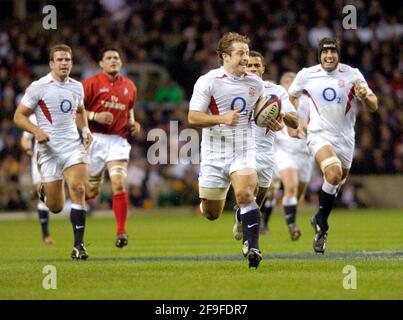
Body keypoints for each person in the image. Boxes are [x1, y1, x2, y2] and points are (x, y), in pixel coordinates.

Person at [288, 37, 378, 253]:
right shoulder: (306, 74)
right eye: (325, 52)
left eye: (333, 52)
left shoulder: (352, 74)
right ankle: (323, 227)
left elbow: (374, 105)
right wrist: (292, 123)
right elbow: (290, 96)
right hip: (319, 134)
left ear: (338, 54)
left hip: (346, 138)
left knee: (337, 182)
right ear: (319, 55)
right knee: (334, 174)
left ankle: (319, 219)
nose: (329, 56)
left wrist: (366, 97)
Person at [189, 33, 269, 268]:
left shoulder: (256, 83)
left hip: (244, 149)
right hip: (214, 153)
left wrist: (271, 120)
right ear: (225, 56)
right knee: (212, 214)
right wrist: (222, 118)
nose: (246, 58)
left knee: (246, 195)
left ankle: (253, 247)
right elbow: (193, 117)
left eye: (247, 52)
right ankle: (215, 206)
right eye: (241, 53)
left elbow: (262, 114)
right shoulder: (209, 81)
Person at [14, 44, 93, 260]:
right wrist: (36, 131)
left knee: (78, 188)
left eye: (67, 59)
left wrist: (85, 129)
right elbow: (18, 116)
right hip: (48, 151)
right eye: (60, 60)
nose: (64, 63)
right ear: (51, 63)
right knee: (56, 207)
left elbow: (80, 110)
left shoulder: (77, 87)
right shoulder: (38, 87)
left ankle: (79, 246)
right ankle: (45, 194)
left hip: (72, 147)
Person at [82, 47, 140, 248]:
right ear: (101, 63)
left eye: (116, 57)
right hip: (94, 140)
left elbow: (129, 109)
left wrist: (133, 123)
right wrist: (94, 117)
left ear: (121, 63)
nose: (113, 60)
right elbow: (75, 111)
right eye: (109, 58)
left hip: (117, 141)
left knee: (118, 183)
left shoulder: (130, 86)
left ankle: (121, 232)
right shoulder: (90, 84)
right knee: (90, 192)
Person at [240, 51, 298, 251]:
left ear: (263, 69)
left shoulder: (276, 91)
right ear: (243, 68)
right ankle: (251, 245)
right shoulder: (235, 90)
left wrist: (280, 114)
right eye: (250, 66)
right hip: (242, 151)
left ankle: (241, 217)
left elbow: (295, 120)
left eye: (257, 65)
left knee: (258, 198)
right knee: (247, 195)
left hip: (266, 153)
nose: (254, 69)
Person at [271, 72, 314, 240]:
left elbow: (320, 121)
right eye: (286, 82)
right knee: (290, 187)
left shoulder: (308, 102)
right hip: (285, 150)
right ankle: (292, 226)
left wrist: (308, 126)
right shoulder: (276, 102)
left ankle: (289, 216)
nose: (289, 84)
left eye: (292, 81)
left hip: (305, 153)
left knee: (298, 194)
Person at [20, 114, 54, 245]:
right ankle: (45, 234)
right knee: (43, 194)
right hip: (39, 160)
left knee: (53, 201)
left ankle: (38, 193)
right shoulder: (34, 118)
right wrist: (28, 148)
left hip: (57, 159)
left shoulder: (58, 112)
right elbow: (25, 138)